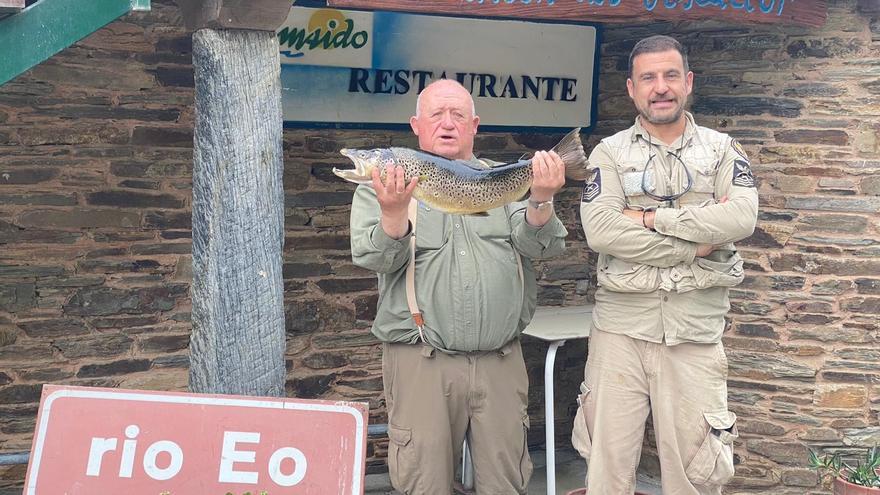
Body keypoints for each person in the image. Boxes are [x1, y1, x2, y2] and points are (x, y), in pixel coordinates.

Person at [349, 79, 569, 494]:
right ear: (416, 125)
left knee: (505, 482)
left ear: (475, 125)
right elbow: (376, 259)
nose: (447, 125)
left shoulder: (503, 181)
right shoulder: (383, 186)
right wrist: (393, 213)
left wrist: (540, 200)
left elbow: (543, 247)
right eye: (436, 115)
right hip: (422, 362)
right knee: (424, 483)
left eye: (458, 116)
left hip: (500, 362)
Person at [573, 35, 758, 495]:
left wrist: (654, 218)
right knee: (607, 469)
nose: (661, 87)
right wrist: (694, 244)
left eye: (670, 75)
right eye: (649, 78)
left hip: (694, 333)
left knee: (694, 473)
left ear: (688, 82)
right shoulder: (609, 153)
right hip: (620, 333)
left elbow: (740, 217)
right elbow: (603, 231)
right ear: (632, 89)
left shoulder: (722, 150)